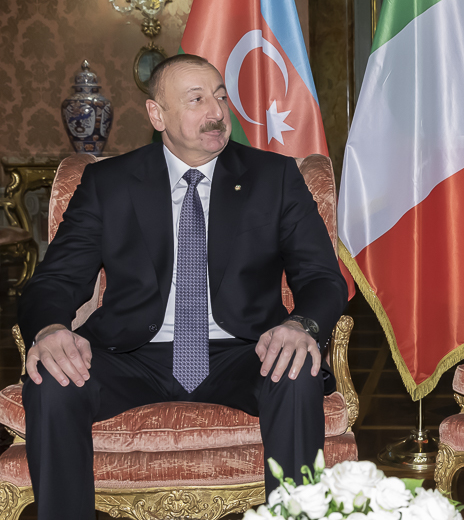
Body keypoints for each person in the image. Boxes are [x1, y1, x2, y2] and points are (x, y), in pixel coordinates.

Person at [18, 54, 348, 520]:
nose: (215, 112)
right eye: (196, 100)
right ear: (158, 115)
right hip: (131, 354)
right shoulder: (108, 184)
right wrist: (51, 329)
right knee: (52, 377)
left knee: (295, 368)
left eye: (220, 96)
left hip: (244, 349)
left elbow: (320, 277)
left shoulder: (274, 178)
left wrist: (302, 324)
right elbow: (55, 279)